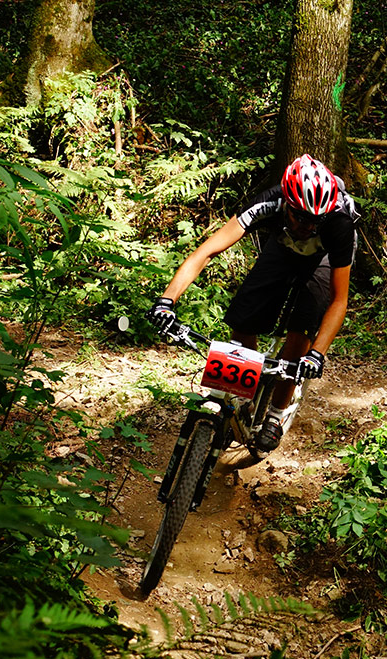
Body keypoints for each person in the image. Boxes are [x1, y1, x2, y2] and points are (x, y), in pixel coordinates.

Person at [145, 154, 358, 455]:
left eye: (315, 221)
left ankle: (276, 414)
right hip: (282, 249)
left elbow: (339, 300)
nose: (308, 227)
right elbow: (206, 252)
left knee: (301, 332)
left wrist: (317, 354)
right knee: (244, 318)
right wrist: (167, 300)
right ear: (288, 205)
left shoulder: (338, 224)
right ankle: (239, 396)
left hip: (323, 259)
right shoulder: (270, 203)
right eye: (302, 218)